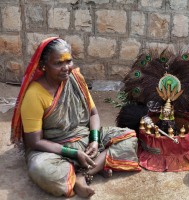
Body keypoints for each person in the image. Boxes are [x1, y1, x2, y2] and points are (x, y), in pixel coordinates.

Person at [11, 37, 141, 198]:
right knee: (39, 169)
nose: (66, 68)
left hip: (85, 139)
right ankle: (97, 164)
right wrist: (74, 154)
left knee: (130, 137)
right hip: (55, 149)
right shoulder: (34, 94)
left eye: (69, 61)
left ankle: (82, 174)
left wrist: (94, 140)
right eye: (58, 63)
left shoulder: (76, 79)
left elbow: (93, 113)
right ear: (43, 66)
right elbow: (34, 142)